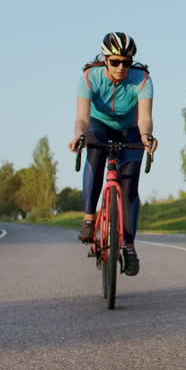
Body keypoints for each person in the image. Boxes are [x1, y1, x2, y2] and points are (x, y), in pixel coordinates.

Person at [68, 32, 157, 276]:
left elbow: (146, 118)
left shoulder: (142, 79)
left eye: (126, 62)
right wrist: (79, 135)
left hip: (130, 129)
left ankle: (129, 246)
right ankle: (89, 220)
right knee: (94, 156)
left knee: (129, 185)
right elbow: (83, 118)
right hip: (99, 125)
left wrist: (147, 137)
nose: (121, 67)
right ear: (105, 59)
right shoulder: (90, 77)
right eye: (115, 61)